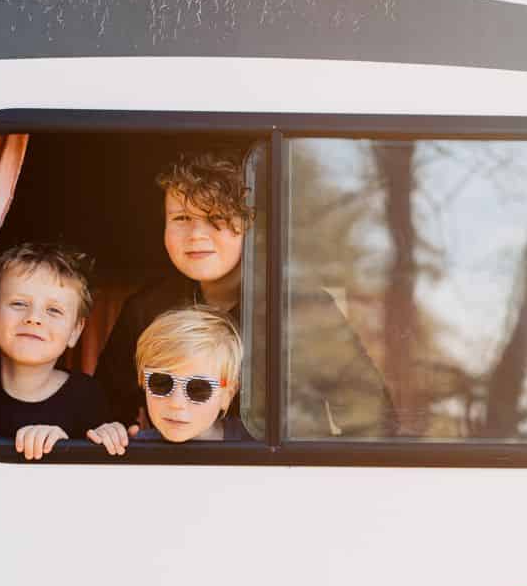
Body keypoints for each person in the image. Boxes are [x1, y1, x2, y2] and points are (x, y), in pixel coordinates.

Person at [95, 151, 394, 438]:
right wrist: (120, 433)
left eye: (217, 217)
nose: (197, 234)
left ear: (250, 225)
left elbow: (372, 419)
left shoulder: (301, 306)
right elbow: (103, 414)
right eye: (182, 218)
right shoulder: (147, 310)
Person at [0, 242, 111, 459]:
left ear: (75, 331)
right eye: (18, 304)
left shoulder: (87, 398)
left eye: (53, 310)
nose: (34, 318)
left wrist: (67, 445)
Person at [91, 309, 249, 445]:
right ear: (143, 382)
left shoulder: (253, 443)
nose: (176, 403)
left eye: (198, 389)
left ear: (227, 395)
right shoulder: (132, 445)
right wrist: (108, 439)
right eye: (161, 383)